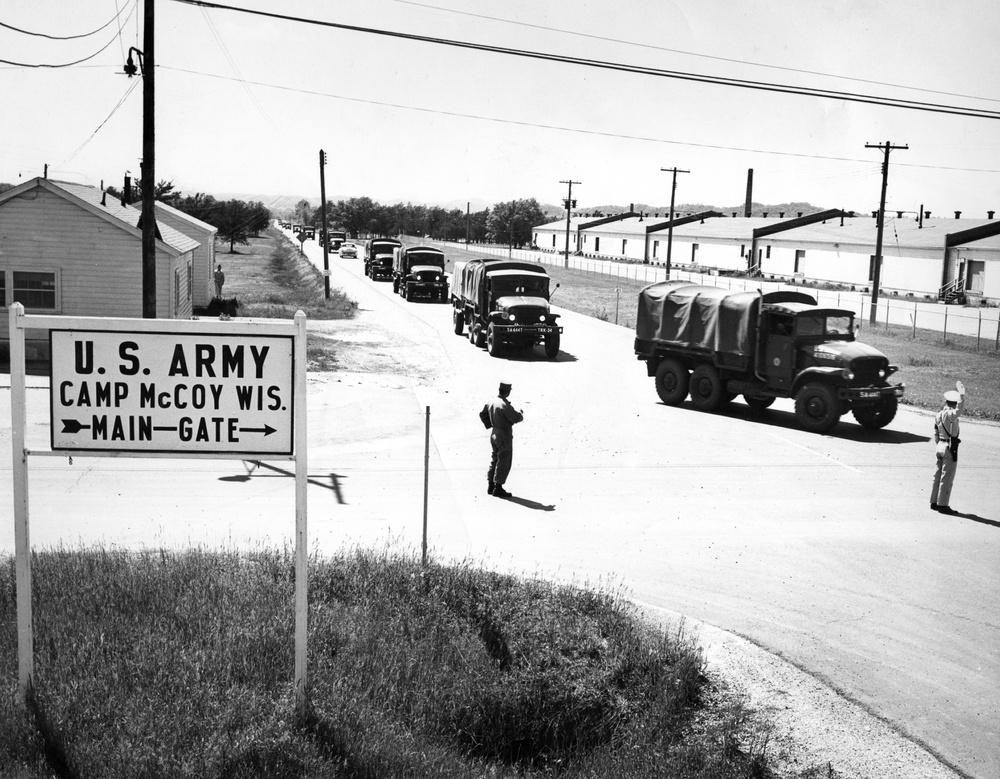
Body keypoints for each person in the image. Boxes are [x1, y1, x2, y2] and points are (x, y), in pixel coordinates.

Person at [931, 380, 966, 515]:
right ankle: (943, 505)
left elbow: (935, 433)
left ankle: (934, 502)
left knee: (937, 475)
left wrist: (940, 444)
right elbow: (959, 411)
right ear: (954, 402)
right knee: (947, 477)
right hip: (949, 447)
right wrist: (962, 396)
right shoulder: (949, 415)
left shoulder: (938, 414)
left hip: (940, 445)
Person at [485, 381, 523, 499]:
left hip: (494, 433)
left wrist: (491, 424)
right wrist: (520, 414)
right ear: (507, 392)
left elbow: (482, 414)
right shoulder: (504, 405)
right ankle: (498, 487)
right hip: (503, 435)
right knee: (504, 461)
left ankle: (491, 485)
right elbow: (515, 418)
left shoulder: (492, 401)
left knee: (494, 459)